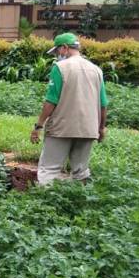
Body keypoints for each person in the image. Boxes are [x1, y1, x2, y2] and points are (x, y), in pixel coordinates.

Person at [30, 32, 108, 184]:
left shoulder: (60, 68)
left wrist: (38, 125)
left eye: (57, 51)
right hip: (88, 128)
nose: (57, 55)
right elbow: (103, 104)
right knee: (81, 171)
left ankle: (46, 198)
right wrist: (101, 128)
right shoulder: (96, 70)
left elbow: (51, 101)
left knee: (49, 170)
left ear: (65, 48)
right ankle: (80, 197)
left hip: (62, 128)